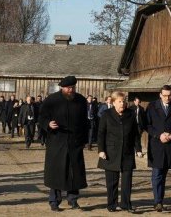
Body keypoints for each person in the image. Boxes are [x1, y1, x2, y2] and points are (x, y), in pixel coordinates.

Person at [39, 76, 89, 211]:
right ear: (62, 88)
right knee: (56, 172)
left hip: (75, 142)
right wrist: (48, 124)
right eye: (68, 88)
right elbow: (42, 117)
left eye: (73, 88)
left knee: (74, 172)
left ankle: (73, 200)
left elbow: (85, 122)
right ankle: (54, 201)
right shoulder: (52, 100)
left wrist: (84, 140)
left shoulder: (81, 101)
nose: (71, 90)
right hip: (56, 142)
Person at [97, 91, 140, 213]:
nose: (122, 104)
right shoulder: (106, 114)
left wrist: (138, 149)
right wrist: (101, 150)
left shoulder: (131, 114)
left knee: (127, 181)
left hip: (127, 153)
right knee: (112, 181)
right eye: (120, 101)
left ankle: (126, 204)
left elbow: (135, 134)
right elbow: (101, 134)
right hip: (110, 152)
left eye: (124, 101)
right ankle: (112, 204)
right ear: (114, 102)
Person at [146, 85, 171, 212]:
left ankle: (159, 199)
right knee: (157, 174)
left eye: (170, 95)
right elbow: (147, 125)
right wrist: (158, 135)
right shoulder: (152, 107)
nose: (167, 98)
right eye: (165, 95)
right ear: (160, 95)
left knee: (163, 175)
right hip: (156, 145)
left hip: (169, 145)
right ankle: (158, 202)